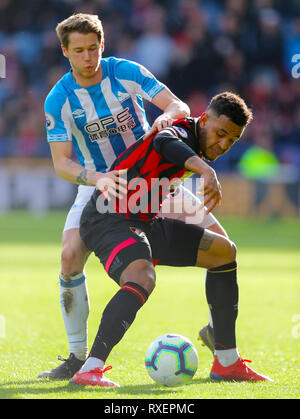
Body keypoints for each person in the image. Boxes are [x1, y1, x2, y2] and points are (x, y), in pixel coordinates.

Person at [39, 13, 225, 380]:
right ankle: (77, 357)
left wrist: (166, 118)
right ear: (65, 52)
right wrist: (97, 178)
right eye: (79, 51)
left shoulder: (124, 71)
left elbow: (179, 107)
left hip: (155, 180)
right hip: (101, 186)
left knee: (222, 248)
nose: (88, 57)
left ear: (102, 45)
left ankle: (216, 331)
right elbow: (61, 163)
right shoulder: (58, 99)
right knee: (68, 257)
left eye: (94, 48)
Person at [71, 92, 273, 386]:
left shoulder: (197, 141)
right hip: (107, 217)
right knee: (142, 277)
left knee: (224, 253)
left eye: (232, 140)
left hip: (142, 221)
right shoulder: (179, 129)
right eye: (220, 133)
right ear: (203, 120)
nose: (223, 144)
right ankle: (90, 368)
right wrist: (205, 169)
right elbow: (161, 141)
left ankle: (227, 362)